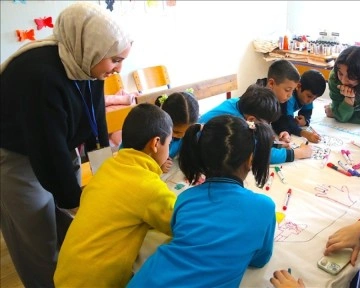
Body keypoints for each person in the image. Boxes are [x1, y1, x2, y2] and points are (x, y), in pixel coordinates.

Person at [0, 2, 132, 287]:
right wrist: (79, 204)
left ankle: (71, 275)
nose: (119, 69)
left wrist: (105, 179)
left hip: (57, 146)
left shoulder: (86, 61)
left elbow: (97, 122)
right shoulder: (37, 74)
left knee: (67, 225)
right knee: (37, 237)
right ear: (95, 48)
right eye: (115, 60)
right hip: (15, 154)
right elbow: (48, 152)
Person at [128, 115, 277, 287]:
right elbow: (259, 260)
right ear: (250, 159)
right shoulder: (264, 208)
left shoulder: (185, 199)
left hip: (147, 280)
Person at [53, 103, 177, 287]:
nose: (169, 148)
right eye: (170, 142)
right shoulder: (146, 185)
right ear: (156, 143)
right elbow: (181, 221)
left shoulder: (109, 167)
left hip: (65, 274)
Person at [199, 84, 312, 164]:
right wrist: (298, 153)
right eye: (267, 123)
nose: (268, 126)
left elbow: (255, 139)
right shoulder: (236, 123)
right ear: (252, 119)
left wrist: (275, 145)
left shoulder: (239, 104)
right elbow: (259, 154)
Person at [271, 69, 327, 143]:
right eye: (309, 96)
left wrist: (305, 121)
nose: (310, 101)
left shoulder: (309, 97)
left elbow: (307, 113)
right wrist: (305, 134)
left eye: (314, 98)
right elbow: (285, 121)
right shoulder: (288, 97)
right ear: (298, 86)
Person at [256, 59, 302, 144]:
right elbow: (257, 145)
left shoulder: (277, 98)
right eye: (287, 90)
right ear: (271, 84)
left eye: (292, 91)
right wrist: (292, 153)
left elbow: (278, 119)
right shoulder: (258, 102)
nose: (290, 95)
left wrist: (283, 131)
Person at [154, 91, 199, 173]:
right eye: (176, 132)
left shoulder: (190, 128)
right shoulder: (152, 135)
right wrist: (158, 165)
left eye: (187, 131)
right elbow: (142, 162)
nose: (182, 135)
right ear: (164, 122)